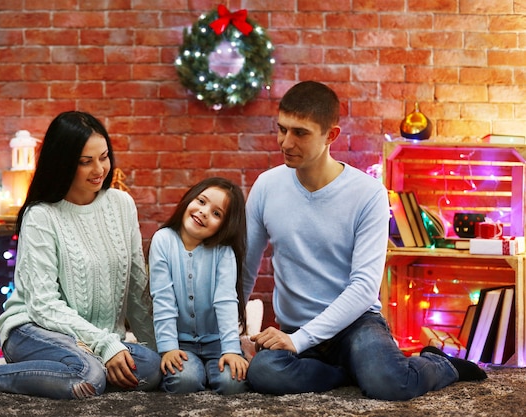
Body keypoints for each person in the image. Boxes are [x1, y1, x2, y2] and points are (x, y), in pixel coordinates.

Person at [242, 81, 487, 401]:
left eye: (300, 133)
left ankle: (439, 364)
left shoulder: (368, 193)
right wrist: (235, 337)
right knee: (262, 372)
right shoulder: (266, 186)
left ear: (331, 136)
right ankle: (350, 372)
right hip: (296, 326)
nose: (285, 142)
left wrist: (299, 342)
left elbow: (363, 288)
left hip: (356, 325)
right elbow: (244, 267)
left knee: (389, 384)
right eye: (281, 129)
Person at [0, 111, 162, 399]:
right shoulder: (41, 215)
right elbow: (43, 305)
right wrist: (106, 346)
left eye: (104, 157)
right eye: (85, 162)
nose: (99, 169)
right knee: (87, 377)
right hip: (33, 329)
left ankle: (50, 372)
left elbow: (136, 291)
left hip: (95, 339)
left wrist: (160, 347)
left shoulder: (122, 204)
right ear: (62, 163)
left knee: (151, 368)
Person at [148, 177, 250, 394]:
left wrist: (231, 350)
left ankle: (211, 371)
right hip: (181, 344)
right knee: (184, 381)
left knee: (234, 383)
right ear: (188, 200)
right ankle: (198, 373)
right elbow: (163, 298)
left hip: (218, 344)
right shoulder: (163, 240)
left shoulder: (224, 252)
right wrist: (168, 348)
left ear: (225, 225)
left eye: (217, 213)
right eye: (201, 201)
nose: (204, 212)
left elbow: (226, 302)